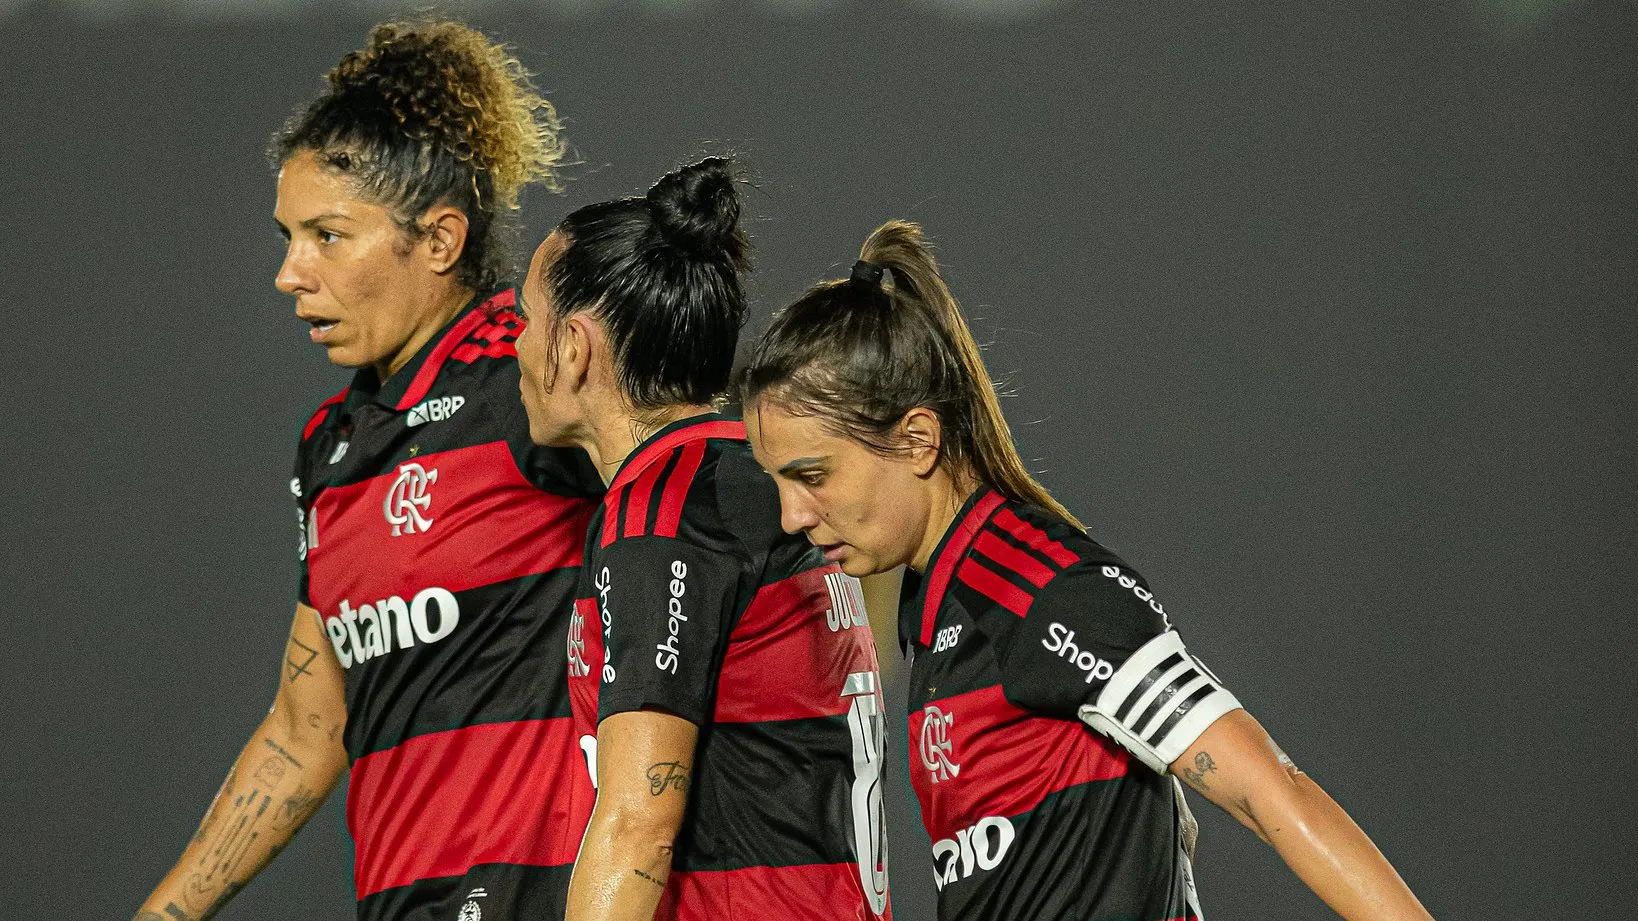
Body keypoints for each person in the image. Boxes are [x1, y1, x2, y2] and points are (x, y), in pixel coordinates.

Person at [739, 220, 1436, 921]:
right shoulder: (934, 605)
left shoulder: (1042, 589)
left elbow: (1268, 790)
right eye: (778, 483)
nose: (793, 514)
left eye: (813, 475)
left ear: (918, 440)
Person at [134, 20, 604, 921]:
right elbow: (308, 732)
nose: (289, 273)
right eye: (287, 236)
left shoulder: (536, 376)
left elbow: (708, 507)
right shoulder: (334, 449)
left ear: (438, 239)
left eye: (327, 236)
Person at [512, 156, 892, 921]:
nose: (514, 347)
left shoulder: (665, 515)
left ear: (575, 347)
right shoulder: (758, 482)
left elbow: (635, 827)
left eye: (525, 320)